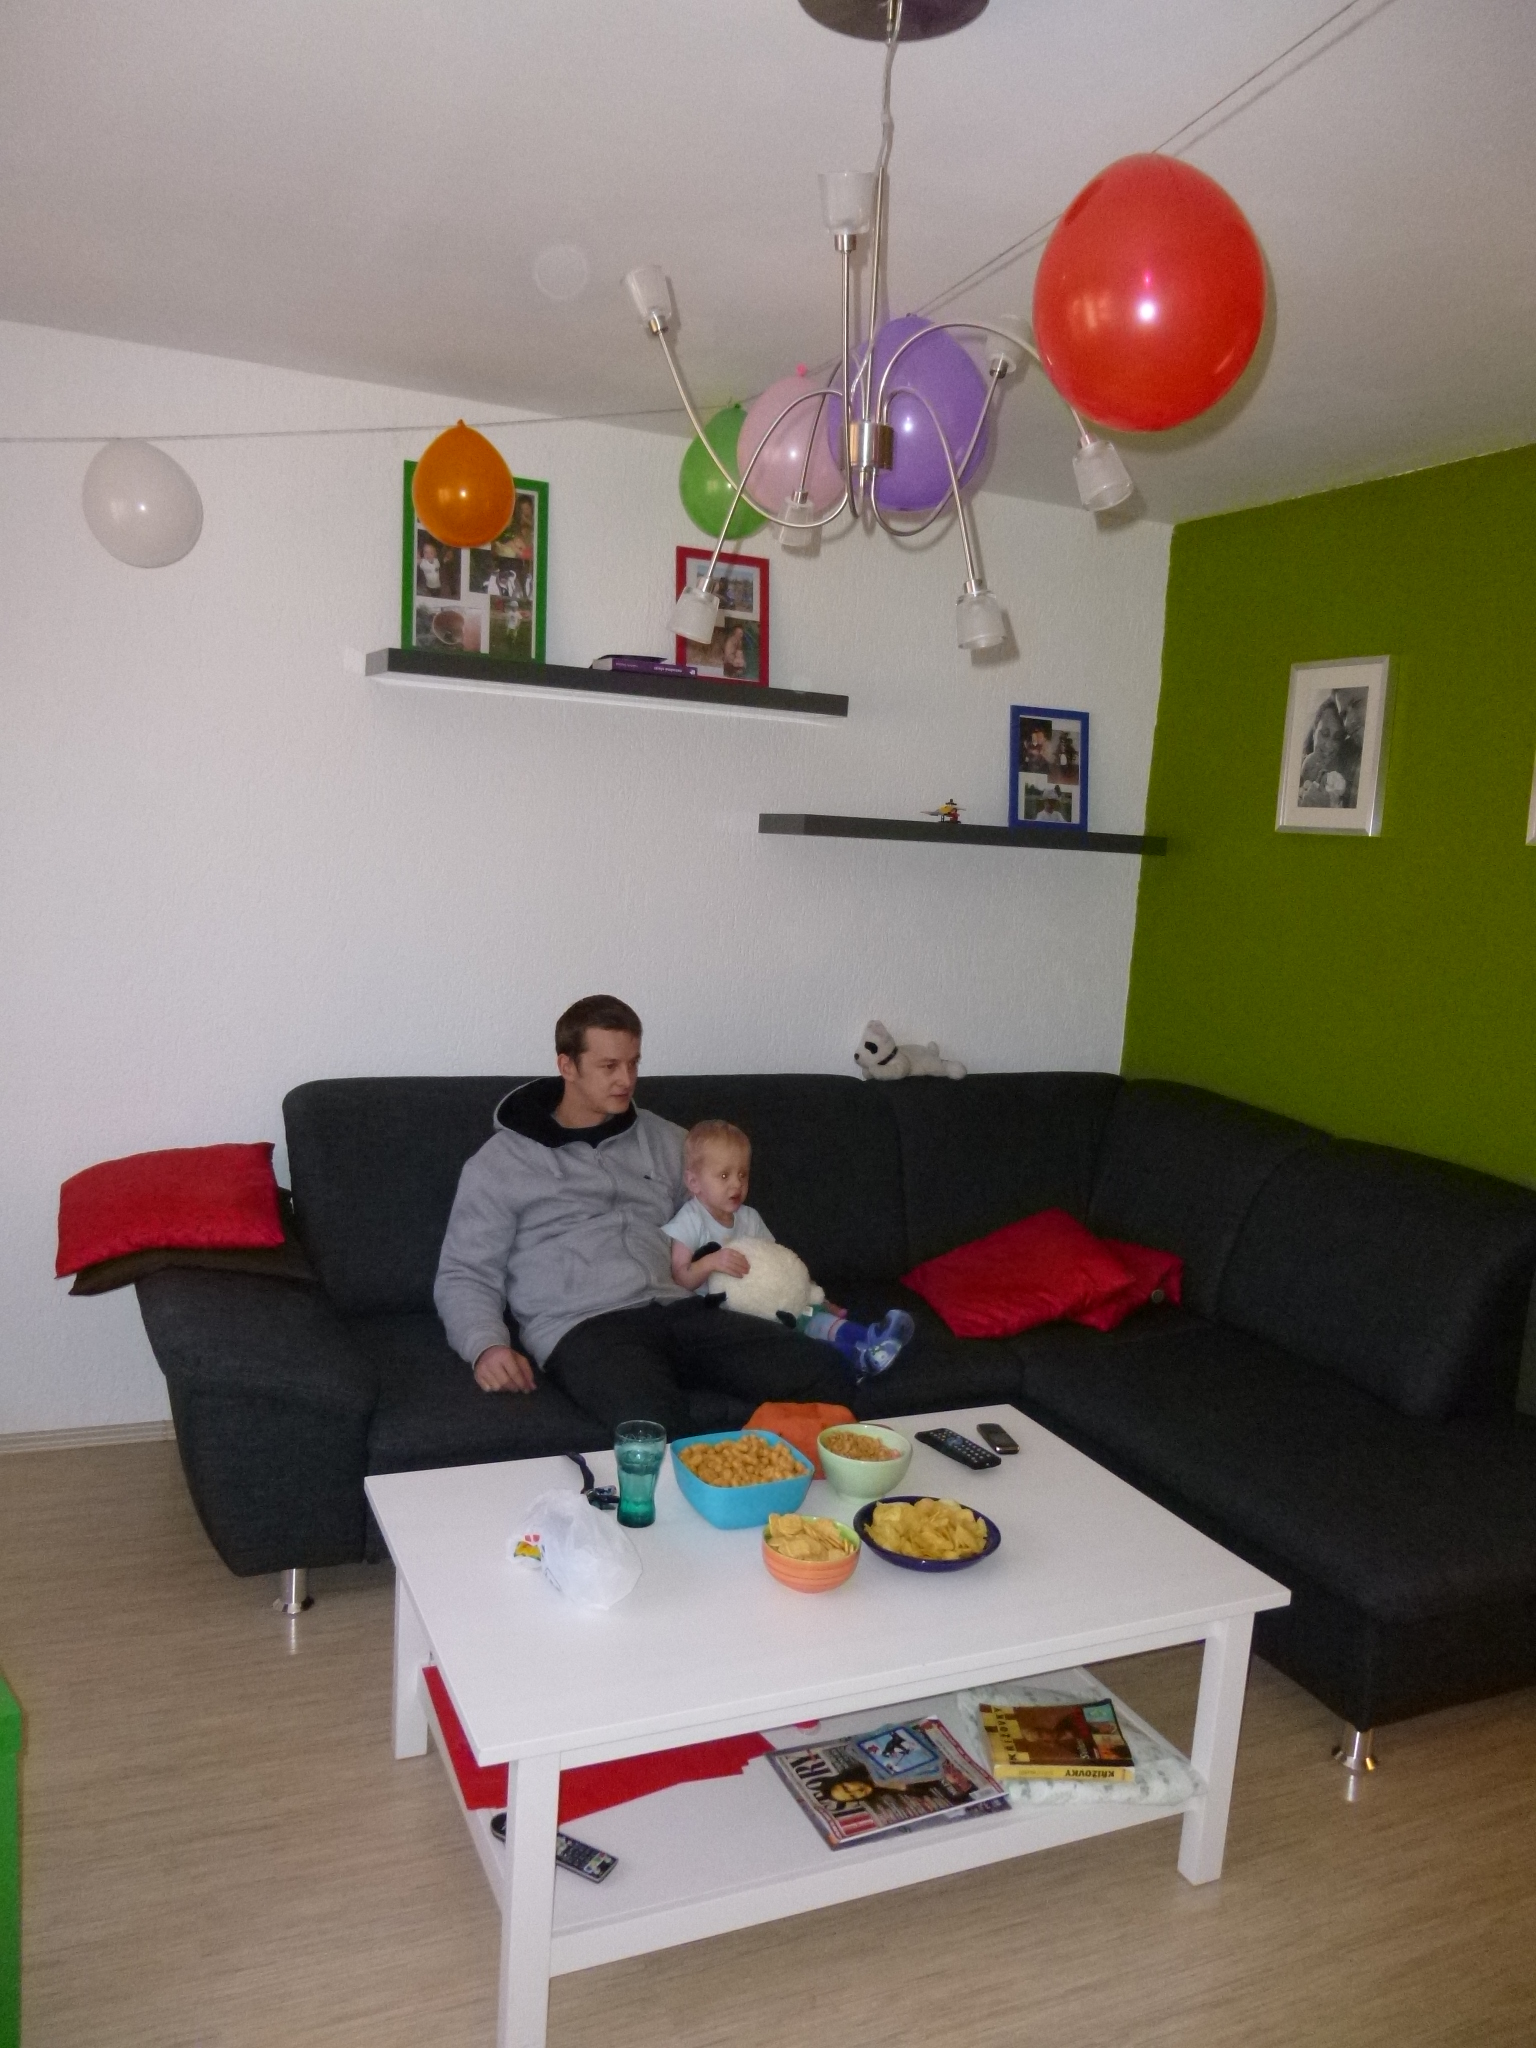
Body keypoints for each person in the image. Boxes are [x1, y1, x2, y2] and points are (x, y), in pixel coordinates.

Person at [433, 996, 855, 1438]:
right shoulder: (500, 1163)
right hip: (585, 1328)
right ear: (567, 1065)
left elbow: (725, 1224)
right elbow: (465, 1271)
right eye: (609, 1066)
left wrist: (798, 1294)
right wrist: (486, 1347)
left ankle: (771, 1472)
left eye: (633, 1063)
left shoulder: (669, 1141)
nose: (626, 1079)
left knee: (827, 1375)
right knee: (652, 1429)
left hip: (681, 1309)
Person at [662, 1120, 914, 1378]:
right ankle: (856, 1358)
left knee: (810, 1312)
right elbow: (680, 1275)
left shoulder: (749, 1217)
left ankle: (872, 1338)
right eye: (724, 1176)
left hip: (769, 1298)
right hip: (730, 1313)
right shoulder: (690, 1220)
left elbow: (779, 1263)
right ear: (694, 1182)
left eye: (743, 1174)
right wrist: (711, 1262)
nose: (737, 1184)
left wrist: (813, 1294)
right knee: (796, 1332)